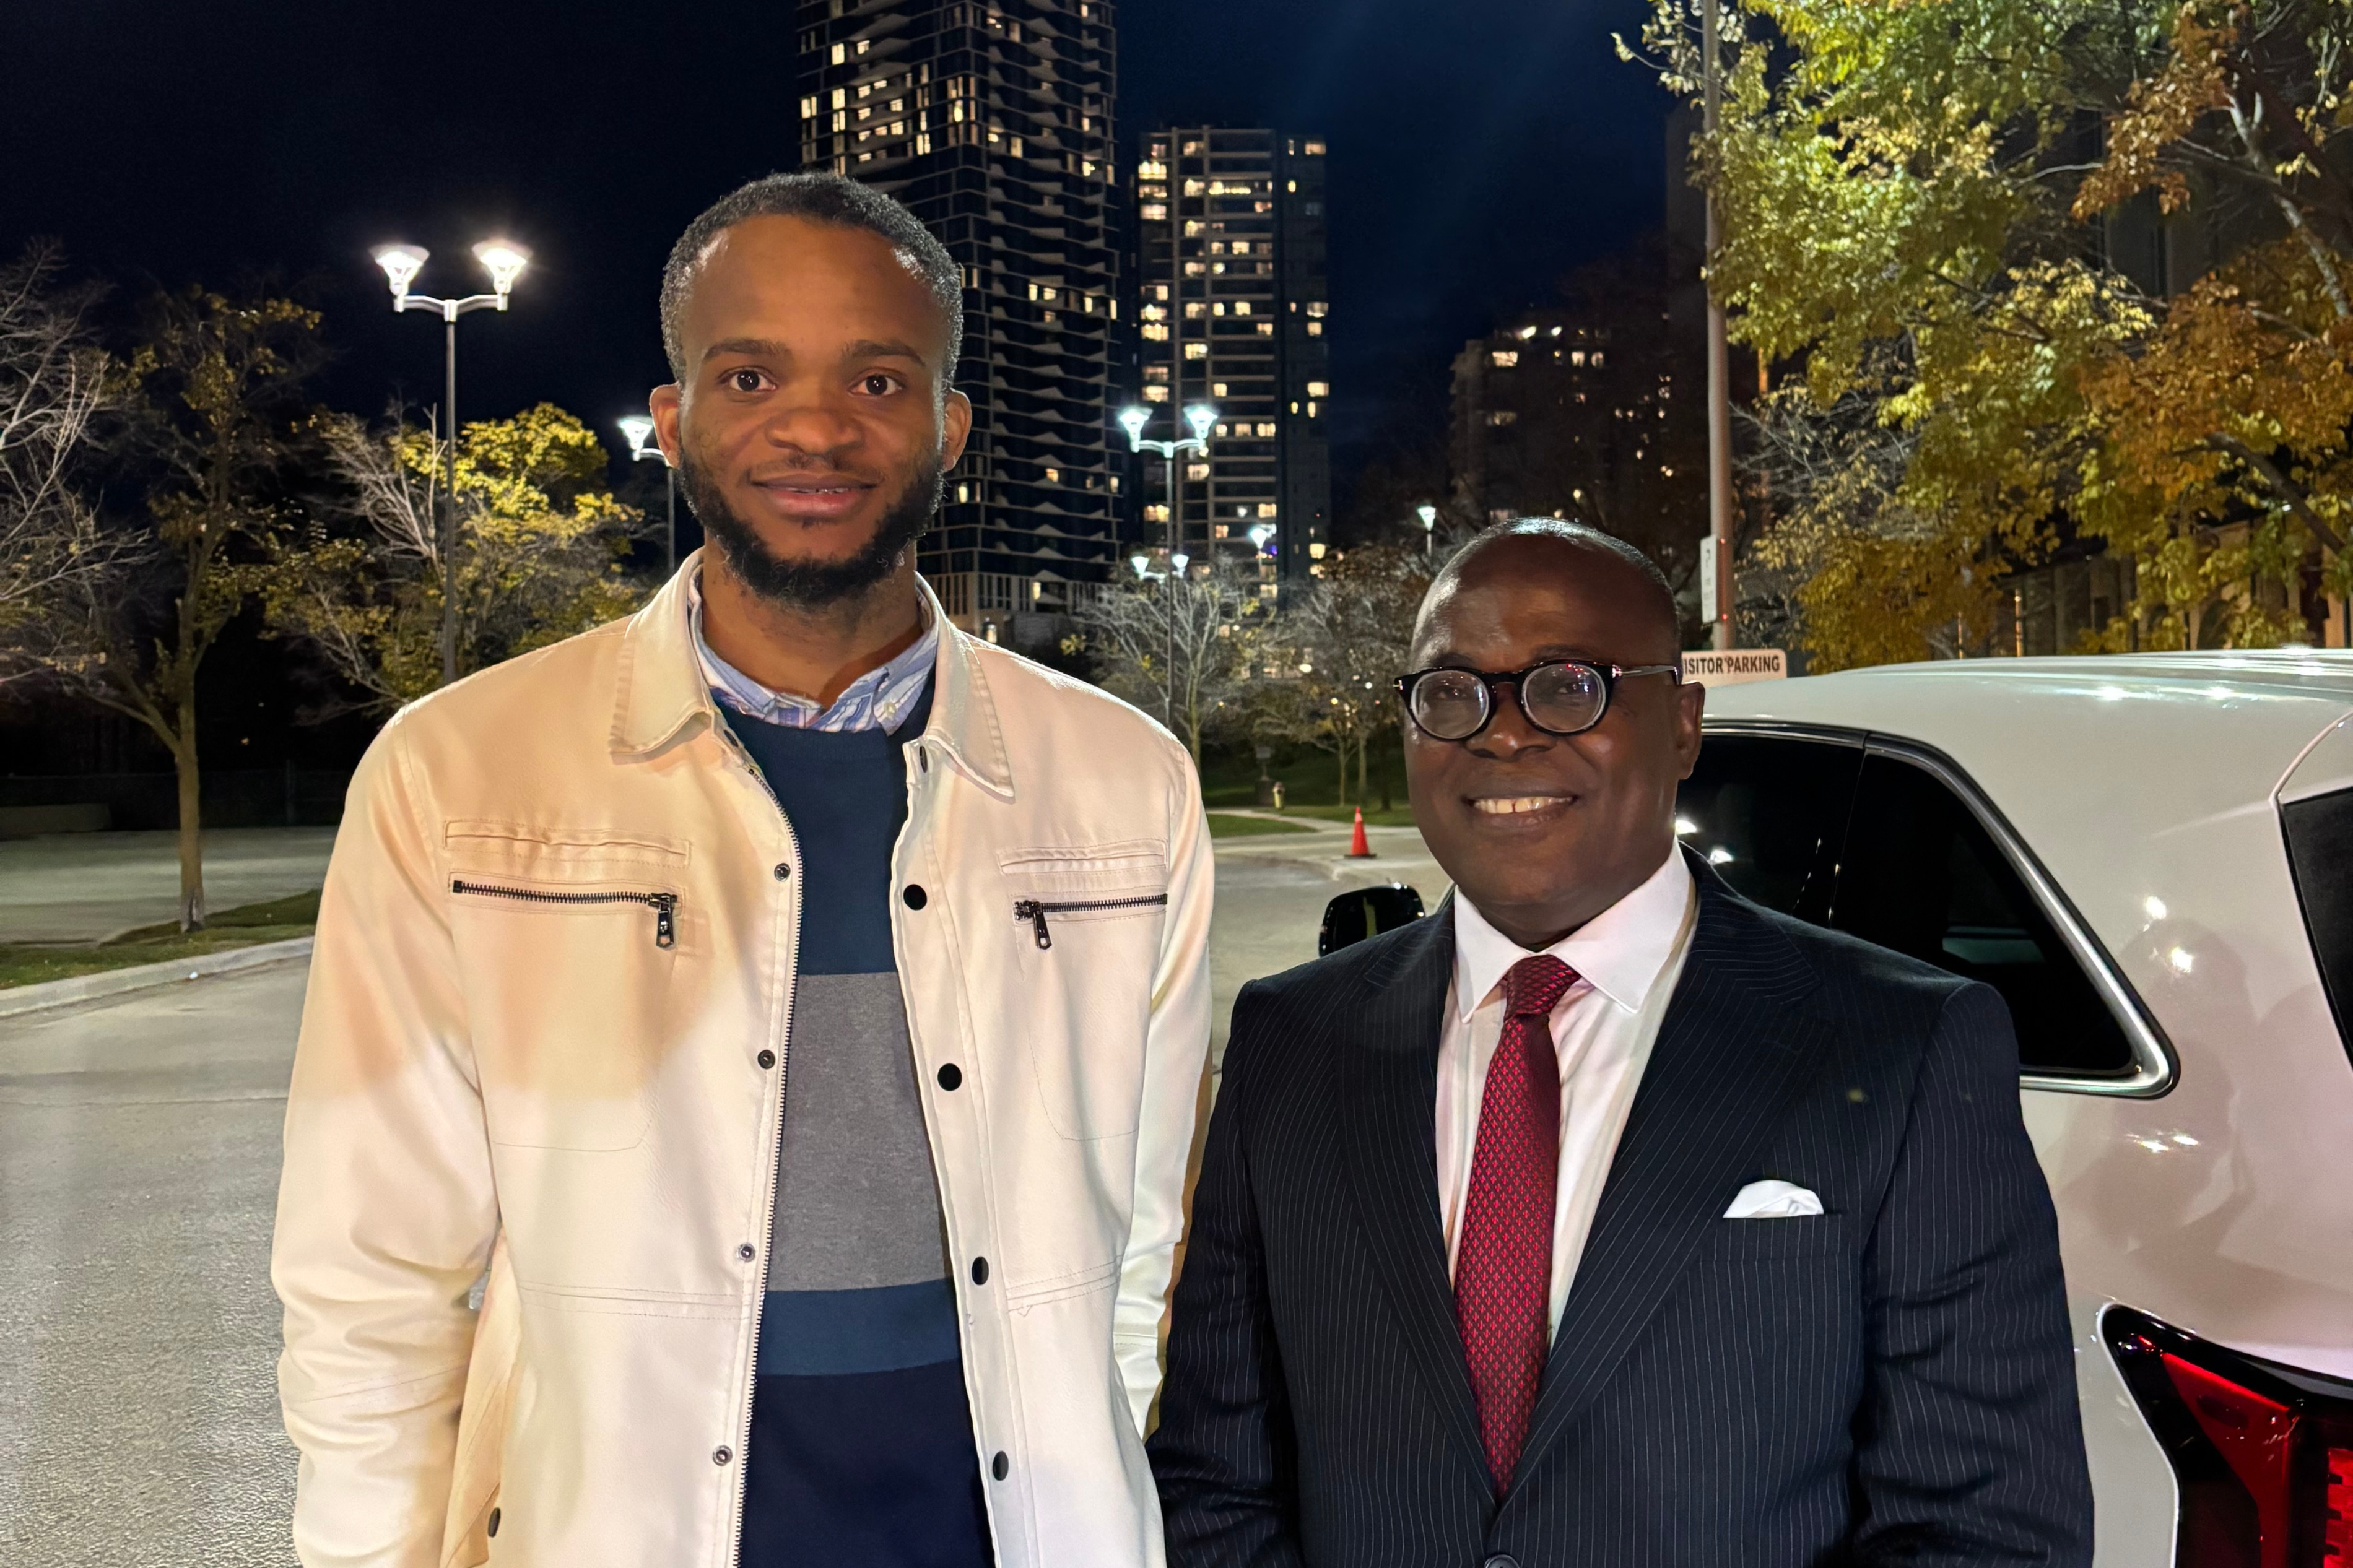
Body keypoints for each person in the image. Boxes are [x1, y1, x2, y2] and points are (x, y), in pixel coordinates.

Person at [272, 173, 1213, 1568]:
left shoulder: (1125, 785)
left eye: (879, 377)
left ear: (949, 427)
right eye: (751, 371)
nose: (816, 425)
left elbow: (1140, 1245)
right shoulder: (458, 777)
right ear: (676, 423)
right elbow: (371, 1274)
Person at [1149, 519, 2092, 1566]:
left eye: (1568, 685)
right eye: (1452, 692)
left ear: (1683, 724)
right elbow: (1216, 1476)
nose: (1503, 735)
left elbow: (1983, 1528)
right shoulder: (1294, 1040)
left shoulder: (1903, 1045)